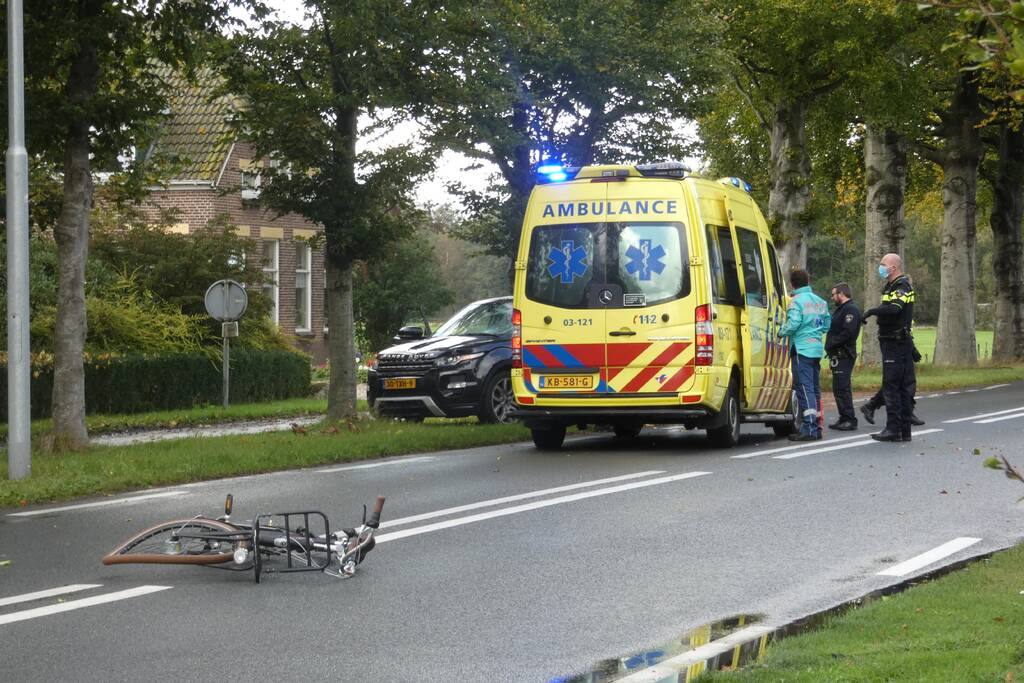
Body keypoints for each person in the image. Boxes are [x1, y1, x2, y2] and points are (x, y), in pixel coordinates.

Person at [862, 253, 916, 442]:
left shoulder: (901, 285)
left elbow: (894, 309)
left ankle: (894, 429)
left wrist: (870, 312)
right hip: (893, 341)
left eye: (883, 264)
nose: (881, 267)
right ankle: (903, 431)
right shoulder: (891, 286)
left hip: (896, 342)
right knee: (900, 387)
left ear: (893, 267)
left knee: (892, 387)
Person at [778, 269, 829, 441]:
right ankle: (818, 425)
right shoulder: (820, 301)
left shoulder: (796, 302)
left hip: (801, 349)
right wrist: (814, 332)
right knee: (814, 389)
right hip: (816, 349)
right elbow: (827, 324)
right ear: (808, 281)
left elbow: (794, 323)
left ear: (792, 284)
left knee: (804, 389)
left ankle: (809, 428)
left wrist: (780, 332)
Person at [824, 282, 861, 430]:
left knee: (843, 388)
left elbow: (849, 333)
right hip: (837, 354)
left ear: (841, 293)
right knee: (838, 388)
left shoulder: (850, 309)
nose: (832, 297)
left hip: (844, 354)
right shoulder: (841, 309)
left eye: (834, 294)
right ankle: (843, 416)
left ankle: (850, 419)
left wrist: (832, 343)